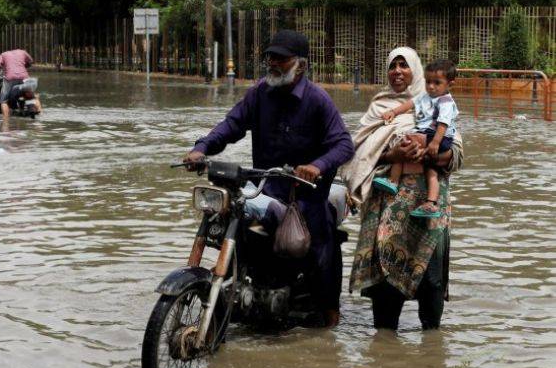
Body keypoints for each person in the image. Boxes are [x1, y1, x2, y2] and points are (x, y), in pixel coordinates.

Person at [183, 30, 355, 327]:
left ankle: (331, 315)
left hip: (305, 194)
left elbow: (343, 144)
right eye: (270, 57)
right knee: (234, 219)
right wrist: (202, 148)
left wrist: (317, 165)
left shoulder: (318, 100)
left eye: (281, 58)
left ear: (300, 64)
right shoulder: (259, 93)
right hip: (264, 187)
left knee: (321, 244)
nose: (273, 63)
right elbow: (231, 125)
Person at [342, 47, 464, 331]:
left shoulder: (439, 103)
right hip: (387, 202)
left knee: (431, 279)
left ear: (416, 70)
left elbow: (457, 154)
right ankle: (384, 349)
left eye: (404, 65)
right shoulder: (379, 108)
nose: (397, 71)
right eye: (392, 66)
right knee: (385, 284)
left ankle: (431, 348)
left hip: (429, 204)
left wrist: (430, 152)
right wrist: (394, 155)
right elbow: (358, 154)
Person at [374, 59, 459, 218]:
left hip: (437, 137)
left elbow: (443, 124)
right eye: (428, 82)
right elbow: (409, 103)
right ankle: (431, 203)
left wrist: (435, 143)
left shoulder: (445, 101)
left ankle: (393, 181)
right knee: (430, 169)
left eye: (436, 83)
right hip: (427, 134)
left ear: (450, 84)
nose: (431, 86)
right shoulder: (425, 96)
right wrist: (394, 112)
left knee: (406, 144)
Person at [0, 49, 33, 118]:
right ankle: (33, 113)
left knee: (3, 100)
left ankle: (6, 121)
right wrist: (25, 66)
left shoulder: (3, 54)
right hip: (24, 77)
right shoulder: (23, 52)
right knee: (30, 96)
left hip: (10, 78)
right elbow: (30, 61)